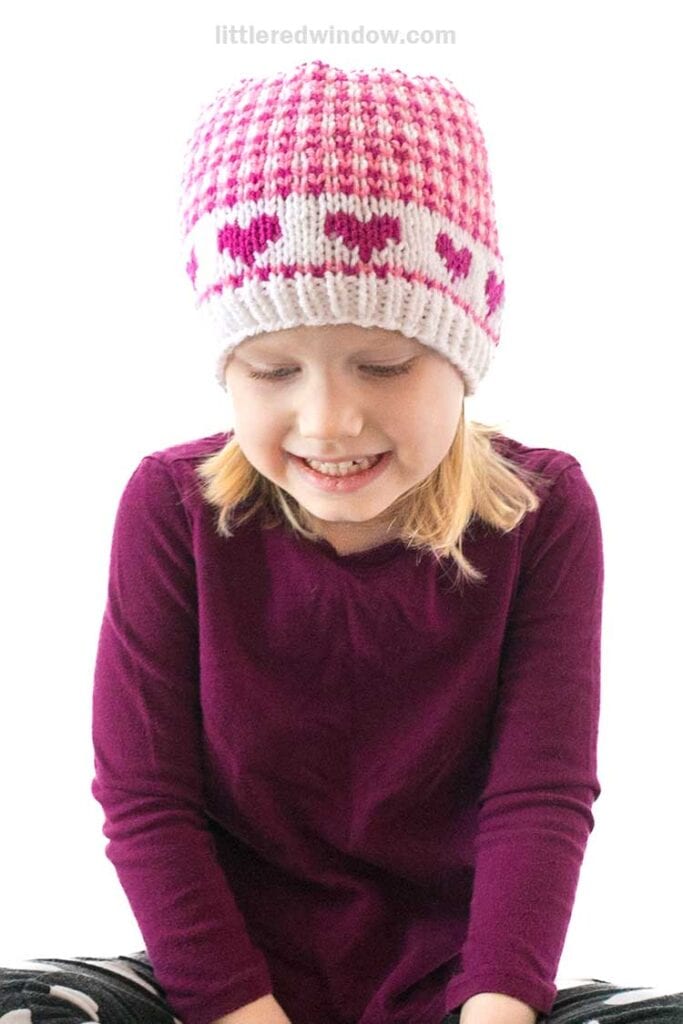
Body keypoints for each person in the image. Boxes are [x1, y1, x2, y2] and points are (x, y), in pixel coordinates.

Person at [2, 58, 681, 1024]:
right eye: (272, 369)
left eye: (384, 364)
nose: (328, 421)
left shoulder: (542, 510)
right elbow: (148, 802)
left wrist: (494, 1011)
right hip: (218, 992)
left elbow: (539, 796)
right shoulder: (169, 507)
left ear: (464, 352)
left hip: (467, 990)